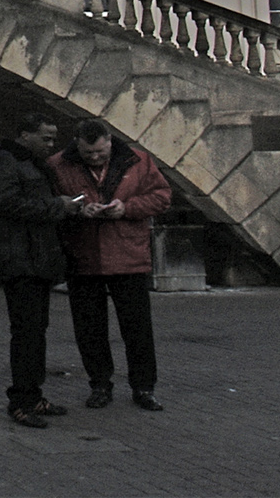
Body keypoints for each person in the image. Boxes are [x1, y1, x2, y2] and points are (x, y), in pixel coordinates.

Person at [47, 118, 172, 411]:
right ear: (76, 144)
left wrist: (127, 208)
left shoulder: (138, 161)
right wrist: (77, 210)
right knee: (90, 329)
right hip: (84, 257)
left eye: (100, 153)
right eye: (88, 153)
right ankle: (100, 384)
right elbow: (51, 203)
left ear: (110, 141)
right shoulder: (57, 165)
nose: (94, 158)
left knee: (137, 328)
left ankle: (144, 387)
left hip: (128, 256)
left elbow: (162, 196)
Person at [0, 112, 79, 428]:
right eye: (46, 137)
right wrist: (57, 207)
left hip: (38, 260)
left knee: (36, 332)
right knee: (26, 333)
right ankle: (21, 401)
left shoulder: (33, 164)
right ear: (26, 135)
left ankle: (33, 395)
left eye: (54, 138)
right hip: (20, 261)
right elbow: (4, 203)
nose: (51, 144)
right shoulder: (6, 162)